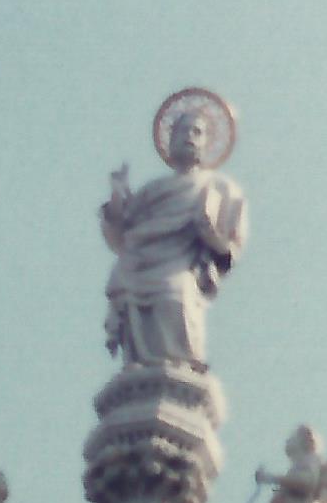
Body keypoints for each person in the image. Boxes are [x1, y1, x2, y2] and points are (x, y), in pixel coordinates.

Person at [99, 98, 246, 370]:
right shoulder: (153, 190)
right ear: (171, 140)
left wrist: (209, 232)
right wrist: (118, 196)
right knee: (137, 313)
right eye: (183, 131)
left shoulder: (218, 188)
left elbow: (229, 244)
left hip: (180, 265)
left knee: (175, 298)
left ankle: (183, 365)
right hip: (139, 265)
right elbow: (121, 233)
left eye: (197, 132)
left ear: (206, 142)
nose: (189, 137)